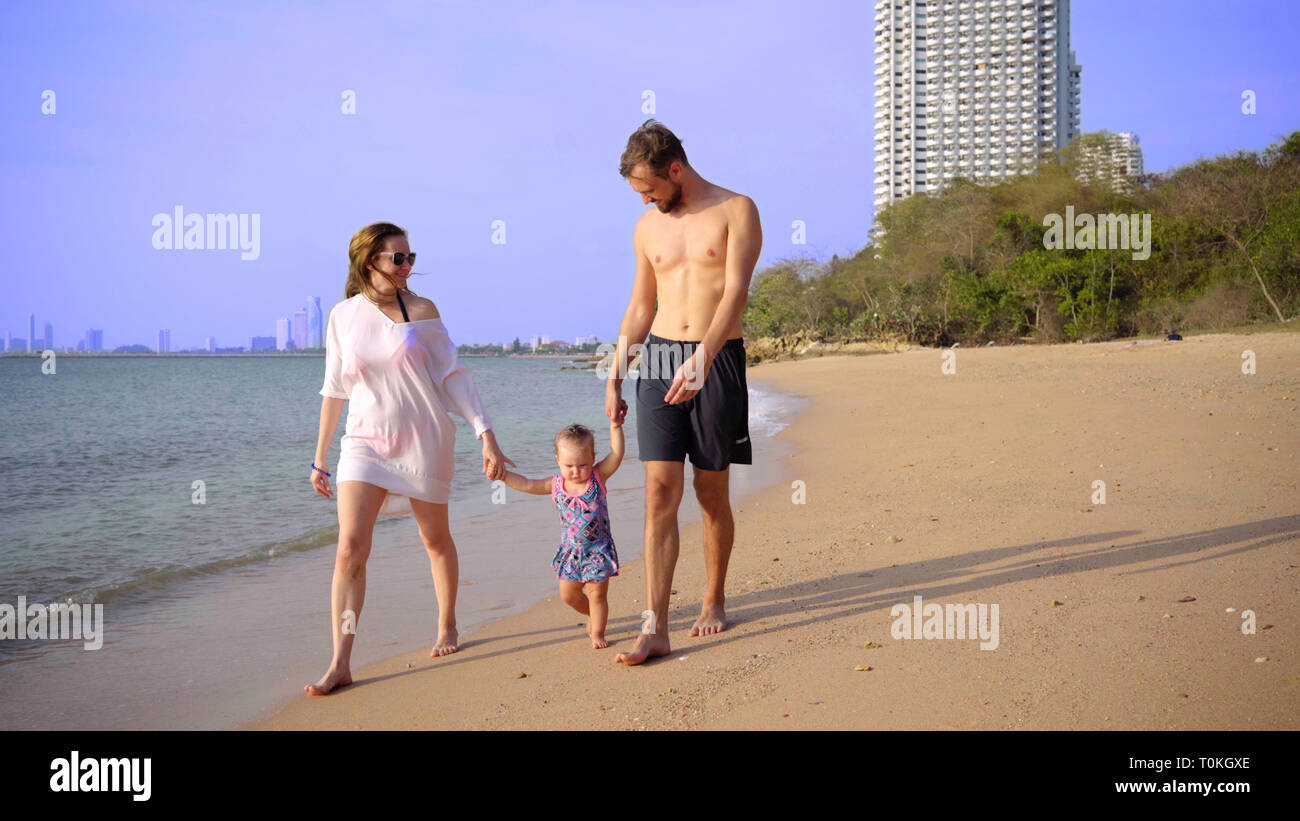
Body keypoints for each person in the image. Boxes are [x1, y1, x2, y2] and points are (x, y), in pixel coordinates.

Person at [306, 222, 515, 695]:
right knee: (349, 549)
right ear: (369, 262)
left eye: (410, 258)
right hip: (363, 443)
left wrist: (486, 433)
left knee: (435, 539)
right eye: (397, 258)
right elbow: (334, 390)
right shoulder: (342, 316)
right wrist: (320, 457)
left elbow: (453, 376)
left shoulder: (422, 309)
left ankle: (447, 625)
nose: (407, 267)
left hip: (424, 439)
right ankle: (340, 661)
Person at [604, 120, 762, 665]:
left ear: (676, 169)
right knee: (657, 493)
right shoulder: (647, 228)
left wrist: (704, 358)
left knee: (710, 492)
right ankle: (655, 624)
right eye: (639, 193)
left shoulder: (737, 209)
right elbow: (641, 307)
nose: (646, 199)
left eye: (650, 188)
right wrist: (616, 372)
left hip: (716, 361)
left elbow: (736, 291)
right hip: (662, 359)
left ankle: (713, 598)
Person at [499, 420, 625, 648]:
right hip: (571, 552)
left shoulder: (598, 478)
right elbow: (527, 484)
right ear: (558, 460)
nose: (576, 472)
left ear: (593, 458)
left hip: (597, 550)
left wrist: (615, 426)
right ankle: (593, 615)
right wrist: (503, 475)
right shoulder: (555, 485)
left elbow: (616, 454)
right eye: (569, 466)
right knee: (569, 596)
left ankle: (597, 632)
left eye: (582, 465)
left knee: (597, 594)